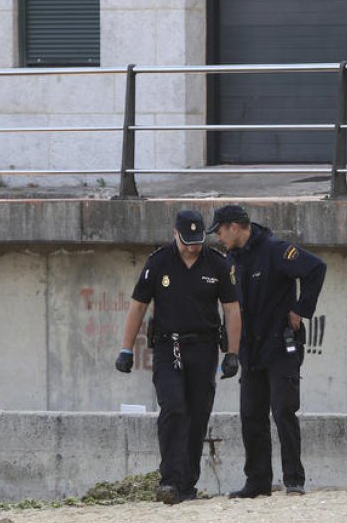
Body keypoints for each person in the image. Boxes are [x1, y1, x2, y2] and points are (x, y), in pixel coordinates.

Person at [115, 210, 242, 505]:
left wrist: (232, 353)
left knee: (197, 415)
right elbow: (138, 306)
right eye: (186, 241)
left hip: (203, 347)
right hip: (167, 347)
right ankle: (169, 480)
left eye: (197, 242)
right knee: (173, 406)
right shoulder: (159, 262)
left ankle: (187, 483)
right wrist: (125, 348)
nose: (192, 247)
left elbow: (232, 309)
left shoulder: (218, 264)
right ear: (175, 235)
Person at [207, 204, 327, 498]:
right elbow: (230, 303)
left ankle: (294, 480)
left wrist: (301, 309)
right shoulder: (232, 259)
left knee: (283, 410)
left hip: (280, 345)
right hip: (251, 348)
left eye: (220, 231)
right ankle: (258, 481)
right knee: (251, 415)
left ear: (235, 227)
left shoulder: (275, 249)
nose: (219, 238)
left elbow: (315, 268)